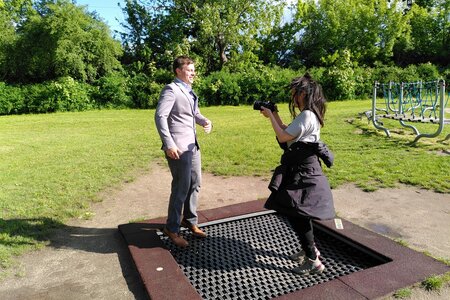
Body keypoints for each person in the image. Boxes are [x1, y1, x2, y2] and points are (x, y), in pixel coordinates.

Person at [260, 73, 335, 275]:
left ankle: (313, 260)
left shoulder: (308, 115)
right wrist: (274, 115)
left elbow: (283, 136)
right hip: (300, 169)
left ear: (303, 93)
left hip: (304, 172)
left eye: (295, 91)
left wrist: (270, 120)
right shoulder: (309, 114)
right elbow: (288, 134)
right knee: (295, 213)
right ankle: (309, 249)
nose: (292, 95)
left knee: (298, 214)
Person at [154, 56, 212, 248]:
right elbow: (160, 116)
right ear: (179, 71)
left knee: (195, 183)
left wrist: (204, 121)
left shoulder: (188, 90)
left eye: (194, 70)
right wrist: (169, 144)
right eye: (190, 70)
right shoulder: (171, 89)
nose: (193, 73)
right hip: (178, 148)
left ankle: (189, 220)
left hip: (192, 146)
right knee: (181, 187)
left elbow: (193, 114)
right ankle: (172, 228)